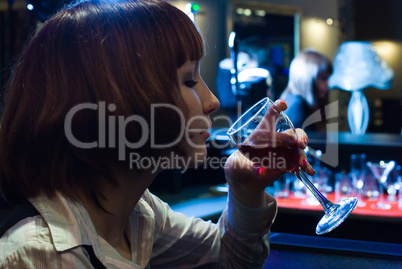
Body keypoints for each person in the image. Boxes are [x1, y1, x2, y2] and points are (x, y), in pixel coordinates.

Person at [0, 0, 314, 268]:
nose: (212, 101)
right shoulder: (41, 253)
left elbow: (231, 258)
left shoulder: (139, 212)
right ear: (120, 102)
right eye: (189, 81)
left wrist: (244, 188)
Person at [280, 49, 333, 131]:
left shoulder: (295, 101)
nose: (328, 84)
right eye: (323, 78)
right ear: (306, 79)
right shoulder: (297, 106)